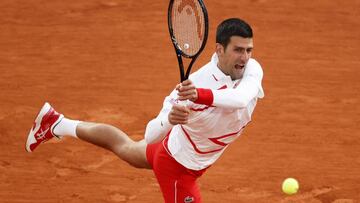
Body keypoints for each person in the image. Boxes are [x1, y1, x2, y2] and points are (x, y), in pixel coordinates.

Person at [25, 18, 264, 203]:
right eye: (238, 50)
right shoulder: (190, 86)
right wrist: (170, 119)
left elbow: (241, 99)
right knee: (137, 147)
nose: (245, 57)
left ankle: (57, 123)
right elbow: (151, 135)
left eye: (248, 50)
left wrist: (199, 96)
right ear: (219, 49)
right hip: (178, 167)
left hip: (186, 149)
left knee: (127, 148)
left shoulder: (251, 69)